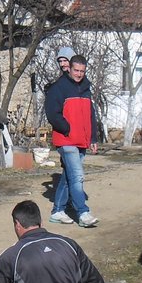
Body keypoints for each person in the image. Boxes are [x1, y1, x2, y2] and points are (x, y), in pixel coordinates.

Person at [45, 54, 101, 227]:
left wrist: (92, 137)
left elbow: (91, 115)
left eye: (82, 71)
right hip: (66, 139)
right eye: (76, 70)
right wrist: (67, 128)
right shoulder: (58, 87)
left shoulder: (86, 88)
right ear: (69, 68)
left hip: (82, 140)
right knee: (77, 175)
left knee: (69, 176)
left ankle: (58, 211)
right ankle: (83, 213)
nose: (79, 74)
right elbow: (52, 113)